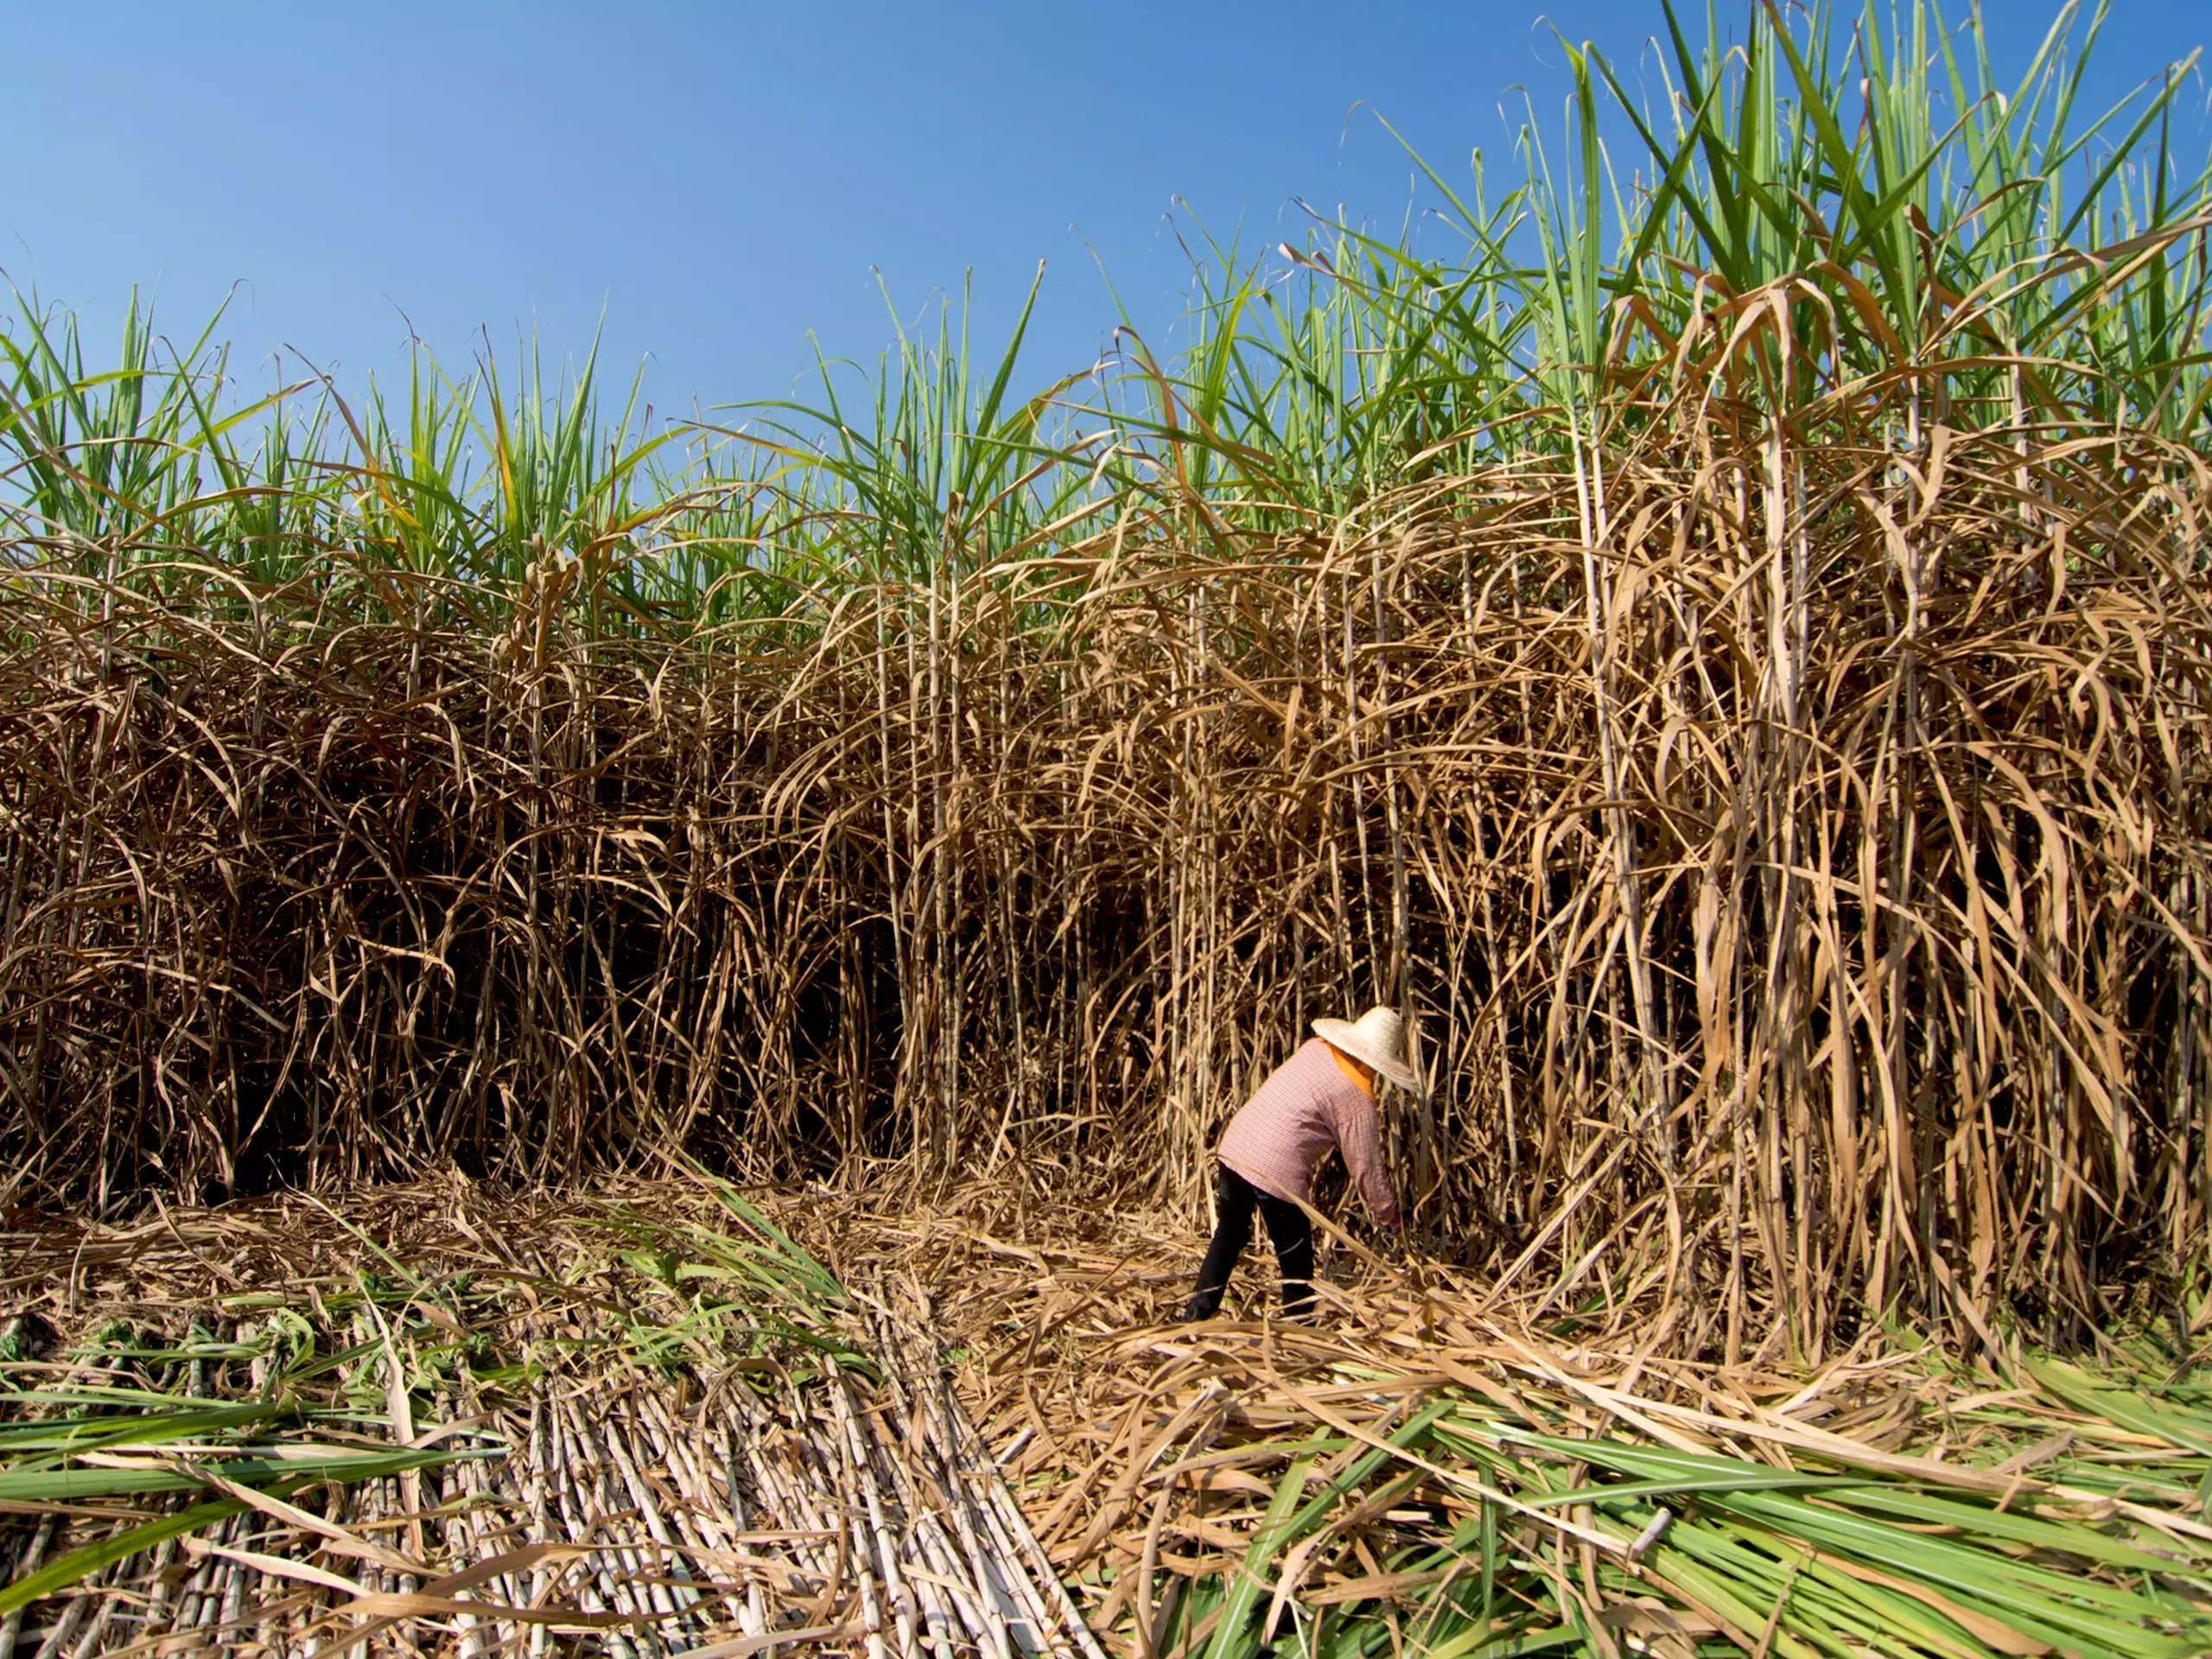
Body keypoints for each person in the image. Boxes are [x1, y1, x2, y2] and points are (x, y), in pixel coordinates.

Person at [1182, 1005, 1414, 1322]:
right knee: (1296, 1258)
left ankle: (1196, 1313)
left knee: (1229, 1233)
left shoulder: (1315, 1049)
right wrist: (1389, 1216)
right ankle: (1299, 1327)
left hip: (1235, 1148)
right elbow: (1366, 1168)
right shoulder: (1356, 1096)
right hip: (1276, 1172)